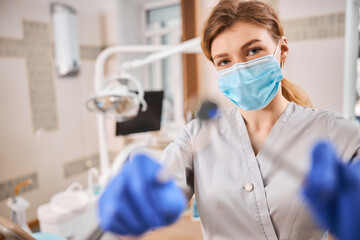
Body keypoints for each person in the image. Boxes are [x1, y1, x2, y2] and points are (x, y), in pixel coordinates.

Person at [98, 0, 360, 239]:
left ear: (282, 49)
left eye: (253, 50)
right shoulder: (196, 136)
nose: (240, 69)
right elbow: (160, 191)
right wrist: (139, 205)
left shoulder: (337, 133)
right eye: (224, 61)